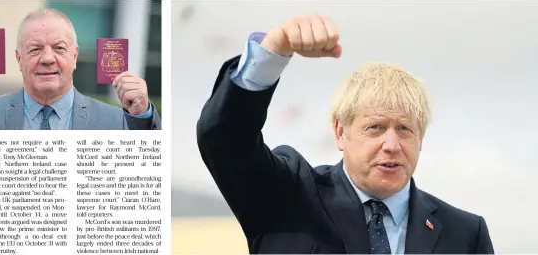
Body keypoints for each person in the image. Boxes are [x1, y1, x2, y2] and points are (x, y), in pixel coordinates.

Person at [196, 13, 494, 254]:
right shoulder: (286, 196)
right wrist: (273, 51)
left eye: (405, 129)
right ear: (340, 132)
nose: (392, 144)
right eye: (376, 127)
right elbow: (225, 138)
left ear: (421, 139)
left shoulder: (466, 234)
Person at [0, 8, 161, 130]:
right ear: (18, 59)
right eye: (34, 49)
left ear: (74, 57)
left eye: (59, 48)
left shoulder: (119, 122)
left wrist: (141, 117)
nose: (47, 58)